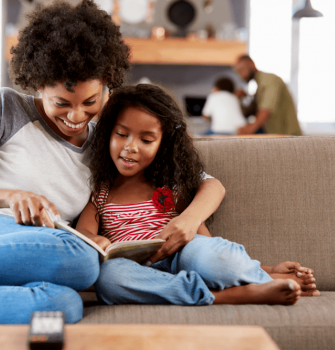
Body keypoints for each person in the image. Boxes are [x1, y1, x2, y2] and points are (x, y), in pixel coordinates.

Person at [0, 0, 227, 324]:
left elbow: (207, 182)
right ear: (38, 83)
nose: (75, 117)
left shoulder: (110, 141)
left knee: (64, 306)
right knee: (83, 262)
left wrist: (188, 220)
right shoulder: (6, 108)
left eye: (90, 102)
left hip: (44, 251)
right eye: (61, 103)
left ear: (107, 86)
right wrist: (9, 195)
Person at [76, 83, 319, 306]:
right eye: (121, 134)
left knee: (213, 258)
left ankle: (262, 275)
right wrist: (95, 240)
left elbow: (205, 244)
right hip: (135, 270)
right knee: (109, 279)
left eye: (147, 139)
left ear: (163, 144)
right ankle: (231, 294)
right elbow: (84, 231)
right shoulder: (102, 192)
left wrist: (265, 266)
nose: (130, 146)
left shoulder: (169, 186)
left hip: (181, 256)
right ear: (107, 133)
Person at [234, 55, 302, 136]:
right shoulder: (259, 86)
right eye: (238, 72)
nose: (241, 75)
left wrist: (250, 128)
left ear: (251, 64)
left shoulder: (270, 80)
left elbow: (266, 109)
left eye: (242, 70)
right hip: (276, 136)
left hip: (289, 136)